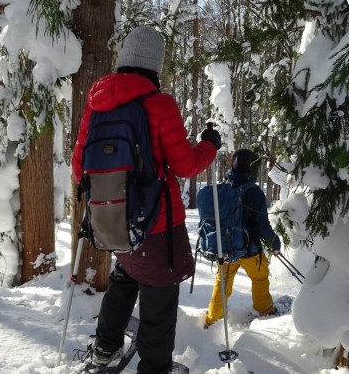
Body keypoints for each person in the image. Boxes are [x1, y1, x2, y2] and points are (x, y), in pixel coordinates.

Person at [71, 26, 221, 373]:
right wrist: (210, 144)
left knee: (124, 279)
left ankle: (105, 349)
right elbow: (185, 164)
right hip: (156, 226)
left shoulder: (96, 102)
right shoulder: (159, 103)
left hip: (113, 223)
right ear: (156, 65)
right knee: (158, 303)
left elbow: (80, 167)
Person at [203, 148, 282, 328]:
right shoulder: (254, 192)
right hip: (250, 251)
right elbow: (262, 225)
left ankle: (212, 319)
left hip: (225, 250)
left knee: (222, 284)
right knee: (260, 278)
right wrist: (274, 243)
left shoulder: (223, 188)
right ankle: (265, 311)